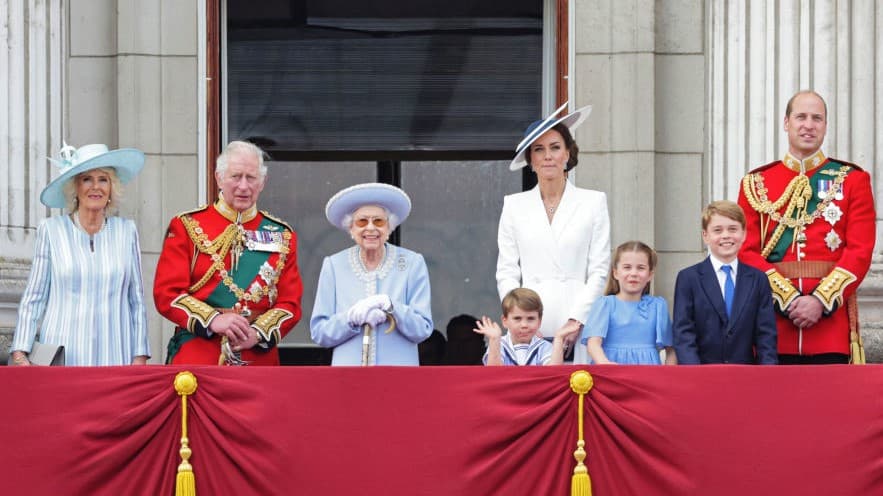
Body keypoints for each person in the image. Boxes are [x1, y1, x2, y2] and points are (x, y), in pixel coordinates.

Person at [737, 90, 876, 364]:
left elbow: (859, 251)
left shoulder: (852, 180)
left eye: (817, 118)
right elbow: (745, 251)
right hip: (772, 327)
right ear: (786, 122)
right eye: (801, 117)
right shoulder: (756, 183)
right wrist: (787, 299)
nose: (809, 125)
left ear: (825, 125)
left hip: (830, 329)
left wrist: (821, 301)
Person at [154, 140, 303, 366]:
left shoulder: (282, 235)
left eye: (251, 178)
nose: (243, 186)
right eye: (236, 176)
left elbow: (290, 304)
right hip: (199, 354)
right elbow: (167, 293)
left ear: (262, 183)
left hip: (257, 358)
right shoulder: (187, 225)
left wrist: (258, 333)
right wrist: (213, 320)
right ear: (219, 178)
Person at [9, 143, 150, 366]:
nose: (96, 187)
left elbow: (137, 300)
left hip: (115, 356)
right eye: (87, 179)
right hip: (63, 358)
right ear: (75, 187)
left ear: (111, 188)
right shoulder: (51, 230)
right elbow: (35, 296)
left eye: (103, 179)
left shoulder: (126, 232)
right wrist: (20, 352)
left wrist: (139, 356)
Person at [496, 103, 610, 364]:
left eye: (555, 147)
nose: (548, 156)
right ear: (531, 160)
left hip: (579, 321)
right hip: (529, 323)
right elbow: (506, 270)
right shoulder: (514, 205)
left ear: (567, 154)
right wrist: (520, 318)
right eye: (539, 149)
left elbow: (599, 270)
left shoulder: (593, 202)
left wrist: (577, 318)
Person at [310, 183, 433, 365]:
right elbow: (319, 333)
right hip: (348, 374)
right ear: (351, 228)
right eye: (362, 221)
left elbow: (422, 329)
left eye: (378, 221)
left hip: (398, 373)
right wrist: (350, 318)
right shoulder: (334, 265)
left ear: (389, 227)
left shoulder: (412, 263)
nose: (370, 228)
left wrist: (392, 307)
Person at [673, 201, 778, 364]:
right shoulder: (688, 278)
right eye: (717, 230)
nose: (726, 235)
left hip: (745, 372)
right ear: (705, 236)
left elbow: (766, 335)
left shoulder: (758, 279)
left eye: (733, 229)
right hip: (702, 372)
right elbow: (684, 332)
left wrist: (766, 373)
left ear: (744, 234)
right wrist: (694, 373)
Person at [580, 241, 676, 365]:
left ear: (650, 275)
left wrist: (668, 373)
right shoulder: (605, 304)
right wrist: (605, 364)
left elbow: (671, 349)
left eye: (640, 268)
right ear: (615, 273)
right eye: (627, 267)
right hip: (611, 370)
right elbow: (593, 343)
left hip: (648, 372)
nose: (634, 273)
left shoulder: (658, 306)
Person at [473, 288, 578, 366]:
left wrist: (559, 338)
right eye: (517, 318)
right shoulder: (499, 345)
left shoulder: (544, 347)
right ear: (505, 321)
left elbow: (553, 374)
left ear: (539, 321)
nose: (524, 325)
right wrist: (494, 340)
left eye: (530, 318)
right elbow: (494, 374)